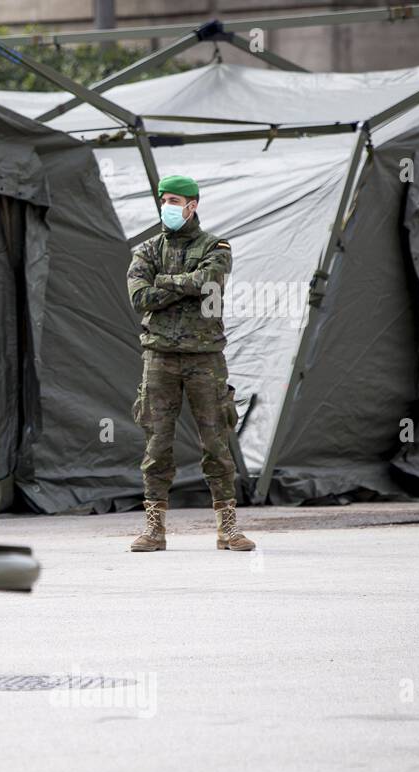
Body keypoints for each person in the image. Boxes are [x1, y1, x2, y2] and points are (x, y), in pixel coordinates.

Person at [127, 173, 255, 553]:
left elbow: (209, 282)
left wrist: (164, 284)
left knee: (216, 440)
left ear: (192, 205)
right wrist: (184, 284)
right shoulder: (147, 249)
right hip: (159, 356)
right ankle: (154, 528)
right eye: (164, 201)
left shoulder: (216, 245)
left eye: (173, 201)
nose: (167, 208)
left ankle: (227, 527)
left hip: (205, 357)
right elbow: (139, 298)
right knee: (156, 443)